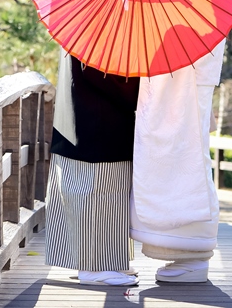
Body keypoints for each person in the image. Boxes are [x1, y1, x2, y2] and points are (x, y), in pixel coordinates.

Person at [129, 40, 226, 283]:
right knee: (182, 152)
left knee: (186, 153)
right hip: (181, 62)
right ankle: (190, 255)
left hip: (188, 64)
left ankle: (194, 255)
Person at [46, 50, 141, 286]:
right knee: (99, 193)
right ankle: (93, 267)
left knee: (98, 193)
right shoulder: (100, 30)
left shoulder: (80, 26)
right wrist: (141, 83)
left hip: (79, 115)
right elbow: (108, 75)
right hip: (99, 120)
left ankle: (105, 261)